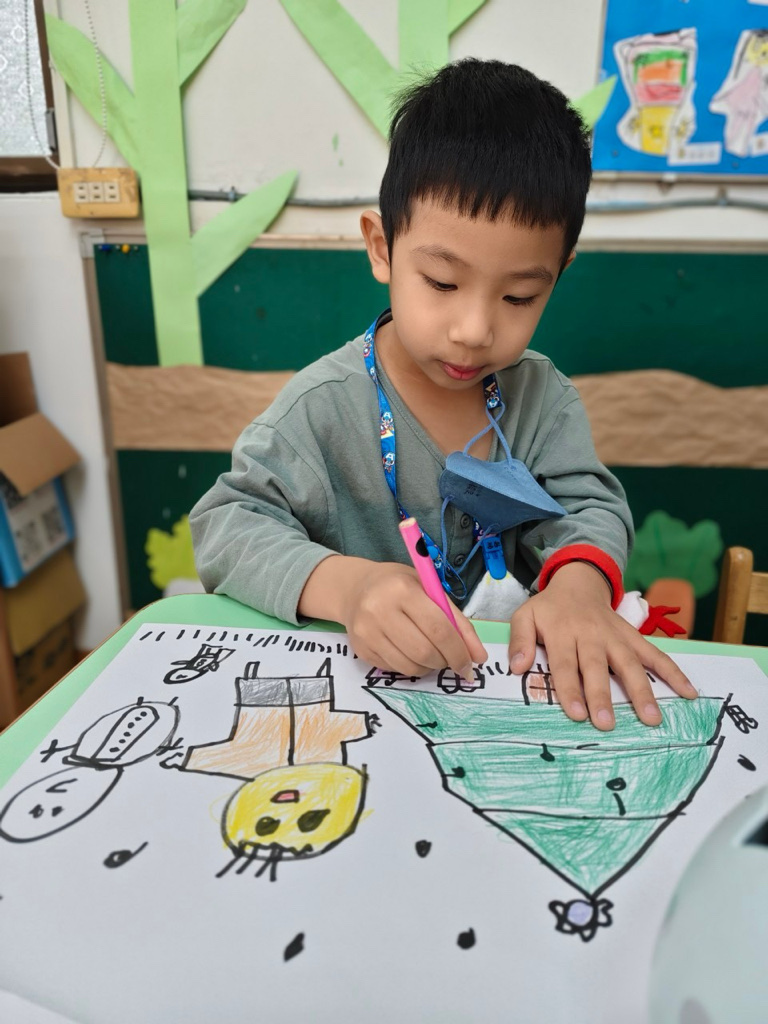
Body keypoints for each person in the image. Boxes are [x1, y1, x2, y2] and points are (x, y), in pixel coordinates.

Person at [190, 59, 696, 731]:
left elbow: (589, 507)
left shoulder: (542, 398)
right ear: (382, 248)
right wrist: (348, 587)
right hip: (362, 709)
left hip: (505, 705)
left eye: (519, 296)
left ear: (557, 275)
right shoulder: (320, 409)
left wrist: (578, 590)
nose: (474, 330)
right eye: (441, 283)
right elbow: (227, 525)